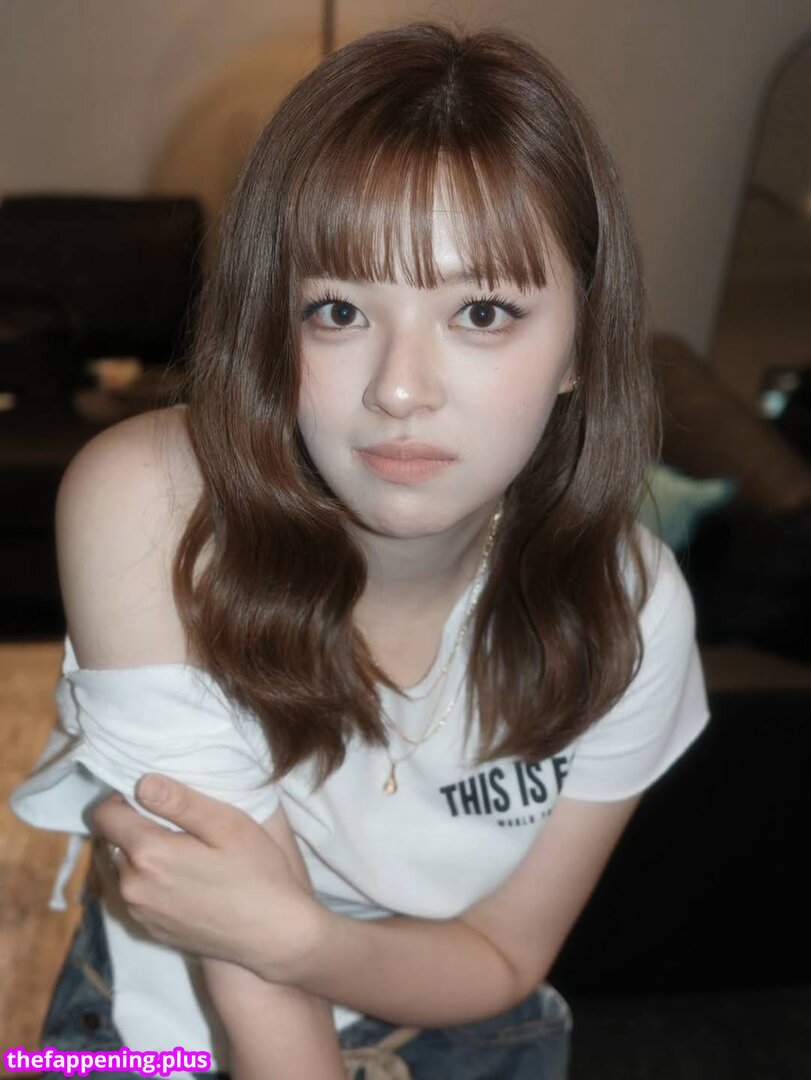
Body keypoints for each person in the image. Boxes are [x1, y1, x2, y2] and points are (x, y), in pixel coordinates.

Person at [10, 21, 710, 1080]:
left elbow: (501, 956)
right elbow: (255, 998)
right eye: (338, 309)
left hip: (460, 1025)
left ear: (579, 343)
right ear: (270, 323)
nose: (399, 388)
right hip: (158, 1039)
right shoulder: (154, 503)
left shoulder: (629, 608)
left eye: (482, 312)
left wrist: (300, 937)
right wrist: (278, 948)